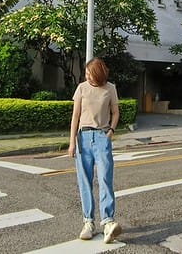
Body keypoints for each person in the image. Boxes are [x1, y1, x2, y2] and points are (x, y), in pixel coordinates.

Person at [68, 58, 122, 243]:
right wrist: (72, 143)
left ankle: (107, 222)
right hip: (83, 138)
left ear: (98, 73)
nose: (86, 75)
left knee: (105, 179)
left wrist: (110, 132)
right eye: (86, 73)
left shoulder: (110, 89)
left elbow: (116, 112)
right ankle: (88, 222)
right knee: (85, 182)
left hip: (102, 137)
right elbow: (75, 116)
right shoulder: (82, 88)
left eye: (90, 73)